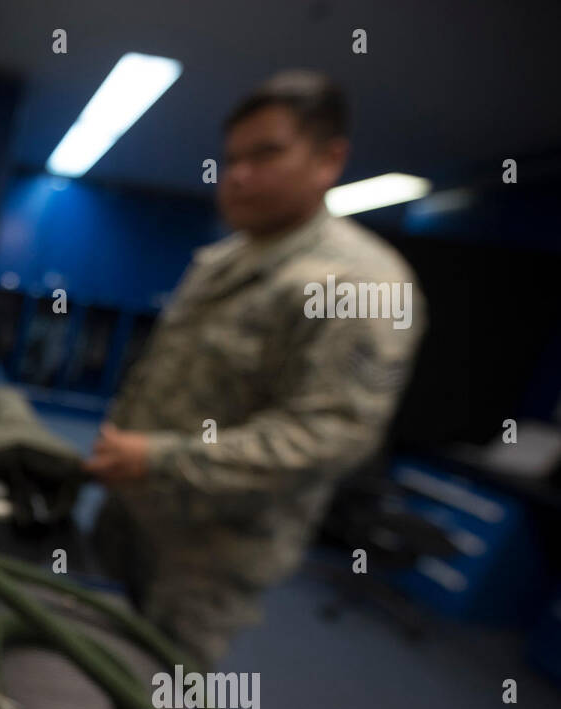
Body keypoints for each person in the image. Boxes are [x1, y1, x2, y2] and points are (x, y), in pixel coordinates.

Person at [85, 71, 426, 667]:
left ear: (328, 159)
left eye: (265, 154)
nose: (236, 174)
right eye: (231, 157)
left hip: (208, 554)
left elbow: (328, 437)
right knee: (78, 660)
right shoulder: (221, 261)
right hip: (129, 513)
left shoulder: (361, 284)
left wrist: (160, 458)